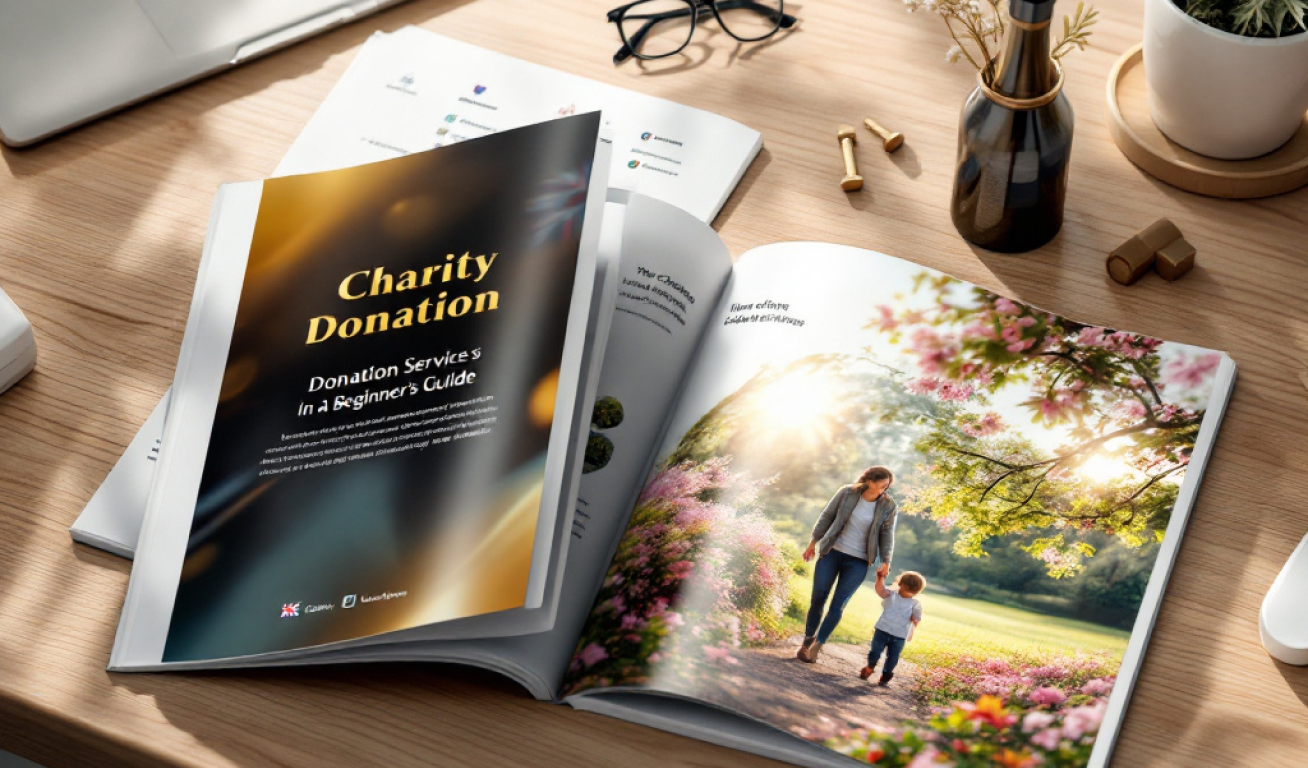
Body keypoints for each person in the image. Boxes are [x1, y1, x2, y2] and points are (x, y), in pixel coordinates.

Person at [796, 466, 897, 664]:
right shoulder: (847, 492)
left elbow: (887, 535)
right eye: (881, 484)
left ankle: (817, 645)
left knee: (838, 605)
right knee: (818, 597)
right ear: (869, 481)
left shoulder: (888, 505)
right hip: (832, 552)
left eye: (887, 485)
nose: (885, 488)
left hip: (858, 561)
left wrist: (886, 560)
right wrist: (812, 544)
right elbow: (827, 516)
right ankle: (807, 641)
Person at [859, 569, 925, 686]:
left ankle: (886, 675)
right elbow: (880, 590)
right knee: (875, 652)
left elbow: (917, 618)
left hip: (899, 636)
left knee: (893, 657)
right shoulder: (891, 595)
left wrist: (914, 620)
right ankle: (870, 667)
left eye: (912, 590)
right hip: (882, 630)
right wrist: (879, 579)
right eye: (908, 588)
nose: (909, 592)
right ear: (901, 584)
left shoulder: (915, 604)